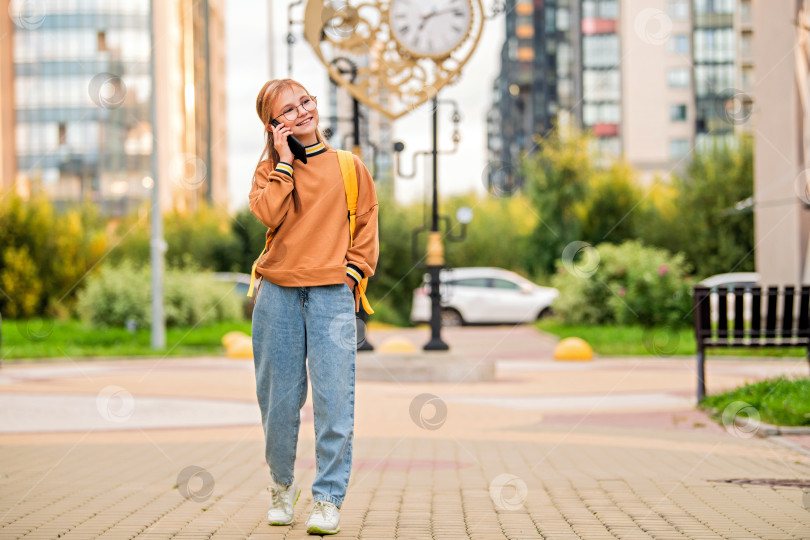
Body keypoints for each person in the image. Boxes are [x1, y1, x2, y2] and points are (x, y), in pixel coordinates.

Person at [249, 78, 379, 535]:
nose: (302, 111)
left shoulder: (349, 166)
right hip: (276, 297)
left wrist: (349, 278)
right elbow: (268, 214)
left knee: (333, 402)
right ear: (273, 124)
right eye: (288, 109)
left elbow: (365, 232)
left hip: (330, 298)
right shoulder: (268, 172)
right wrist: (285, 164)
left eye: (305, 101)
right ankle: (282, 486)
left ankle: (328, 499)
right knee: (278, 405)